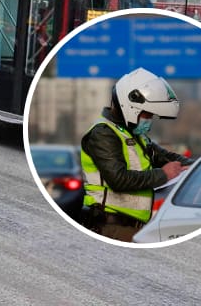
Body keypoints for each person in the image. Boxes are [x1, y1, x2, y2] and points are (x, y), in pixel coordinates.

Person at [80, 67, 194, 242]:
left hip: (129, 226)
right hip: (109, 224)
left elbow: (164, 156)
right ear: (130, 107)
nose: (149, 119)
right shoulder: (103, 133)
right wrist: (163, 174)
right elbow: (118, 179)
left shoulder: (134, 134)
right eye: (147, 113)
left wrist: (199, 166)